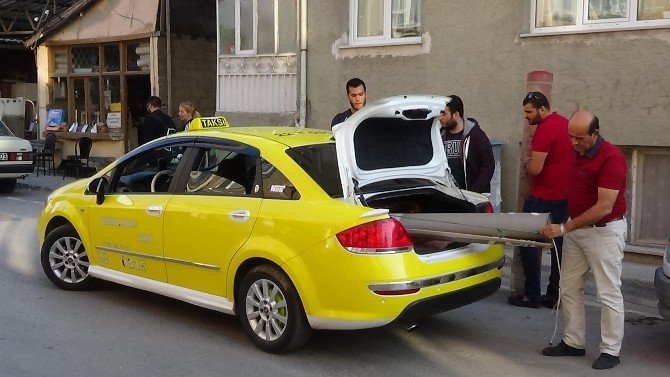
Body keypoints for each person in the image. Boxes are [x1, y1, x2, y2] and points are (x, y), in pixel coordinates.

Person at [540, 111, 628, 370]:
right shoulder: (574, 151)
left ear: (595, 134)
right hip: (576, 228)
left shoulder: (612, 157)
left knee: (608, 292)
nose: (574, 143)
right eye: (571, 137)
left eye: (580, 138)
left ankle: (611, 350)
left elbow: (604, 206)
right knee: (568, 287)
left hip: (604, 231)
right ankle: (573, 342)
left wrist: (564, 228)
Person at [509, 91, 571, 309]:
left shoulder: (544, 130)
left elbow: (536, 168)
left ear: (542, 109)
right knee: (559, 248)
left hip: (543, 197)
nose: (526, 116)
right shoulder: (565, 123)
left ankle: (531, 295)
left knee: (527, 242)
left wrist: (526, 161)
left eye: (529, 112)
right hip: (564, 196)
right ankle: (554, 295)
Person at [438, 95, 495, 193]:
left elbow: (488, 165)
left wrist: (475, 191)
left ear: (456, 114)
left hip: (470, 196)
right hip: (447, 195)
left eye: (444, 114)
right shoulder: (439, 136)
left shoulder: (476, 135)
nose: (440, 118)